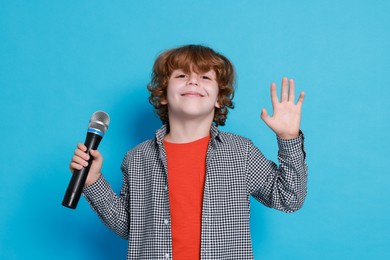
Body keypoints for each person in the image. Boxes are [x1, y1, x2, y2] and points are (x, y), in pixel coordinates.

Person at [69, 44, 307, 260]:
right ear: (163, 94)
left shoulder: (240, 152)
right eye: (182, 76)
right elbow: (132, 227)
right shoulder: (137, 158)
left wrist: (288, 139)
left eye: (205, 77)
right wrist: (92, 181)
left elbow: (289, 198)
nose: (193, 82)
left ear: (219, 98)